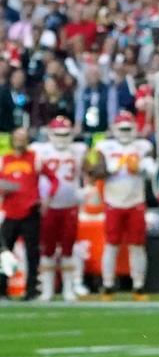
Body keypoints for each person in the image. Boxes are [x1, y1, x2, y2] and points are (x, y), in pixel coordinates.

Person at [93, 111, 156, 301]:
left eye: (129, 128)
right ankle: (108, 284)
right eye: (122, 129)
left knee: (137, 245)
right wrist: (110, 168)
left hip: (136, 201)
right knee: (111, 245)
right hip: (113, 201)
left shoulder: (142, 146)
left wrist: (143, 168)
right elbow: (96, 172)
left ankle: (138, 285)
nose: (126, 132)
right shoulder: (105, 146)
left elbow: (152, 170)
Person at [32, 116, 88, 302]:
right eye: (59, 134)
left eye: (66, 134)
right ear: (50, 134)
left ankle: (68, 288)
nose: (63, 138)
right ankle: (47, 290)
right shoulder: (39, 150)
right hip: (48, 207)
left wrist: (84, 190)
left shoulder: (79, 150)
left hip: (70, 206)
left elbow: (87, 172)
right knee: (47, 249)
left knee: (68, 248)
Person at [0, 128, 56, 301]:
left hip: (30, 211)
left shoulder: (35, 158)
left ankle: (32, 289)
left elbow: (54, 179)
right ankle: (2, 289)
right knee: (4, 252)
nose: (20, 141)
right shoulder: (4, 160)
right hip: (9, 211)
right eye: (17, 138)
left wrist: (47, 197)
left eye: (23, 138)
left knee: (32, 253)